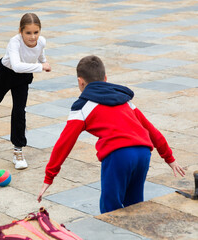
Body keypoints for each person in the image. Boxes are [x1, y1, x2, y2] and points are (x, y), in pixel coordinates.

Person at [37, 55, 185, 213]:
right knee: (134, 206)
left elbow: (64, 143)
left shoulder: (82, 107)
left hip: (118, 155)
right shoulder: (124, 100)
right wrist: (169, 157)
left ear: (80, 81)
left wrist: (49, 177)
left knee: (110, 210)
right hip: (143, 152)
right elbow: (150, 129)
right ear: (105, 78)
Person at [0, 13, 51, 170]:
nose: (33, 37)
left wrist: (44, 62)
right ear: (20, 31)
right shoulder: (14, 42)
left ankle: (18, 151)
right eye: (28, 33)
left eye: (36, 32)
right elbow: (17, 66)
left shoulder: (41, 42)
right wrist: (40, 67)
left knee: (19, 111)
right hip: (6, 73)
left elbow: (40, 53)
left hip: (23, 78)